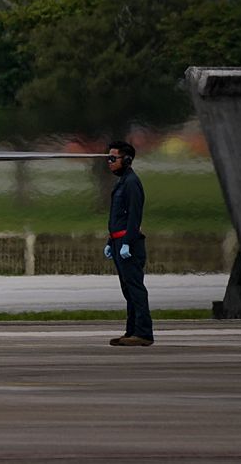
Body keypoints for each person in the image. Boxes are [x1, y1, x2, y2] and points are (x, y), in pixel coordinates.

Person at [105, 140, 153, 346]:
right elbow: (119, 217)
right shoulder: (122, 181)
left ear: (126, 159)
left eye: (113, 158)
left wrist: (127, 242)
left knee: (135, 288)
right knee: (128, 290)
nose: (109, 162)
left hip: (129, 244)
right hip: (119, 242)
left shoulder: (132, 182)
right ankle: (132, 331)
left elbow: (134, 216)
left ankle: (143, 332)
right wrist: (111, 241)